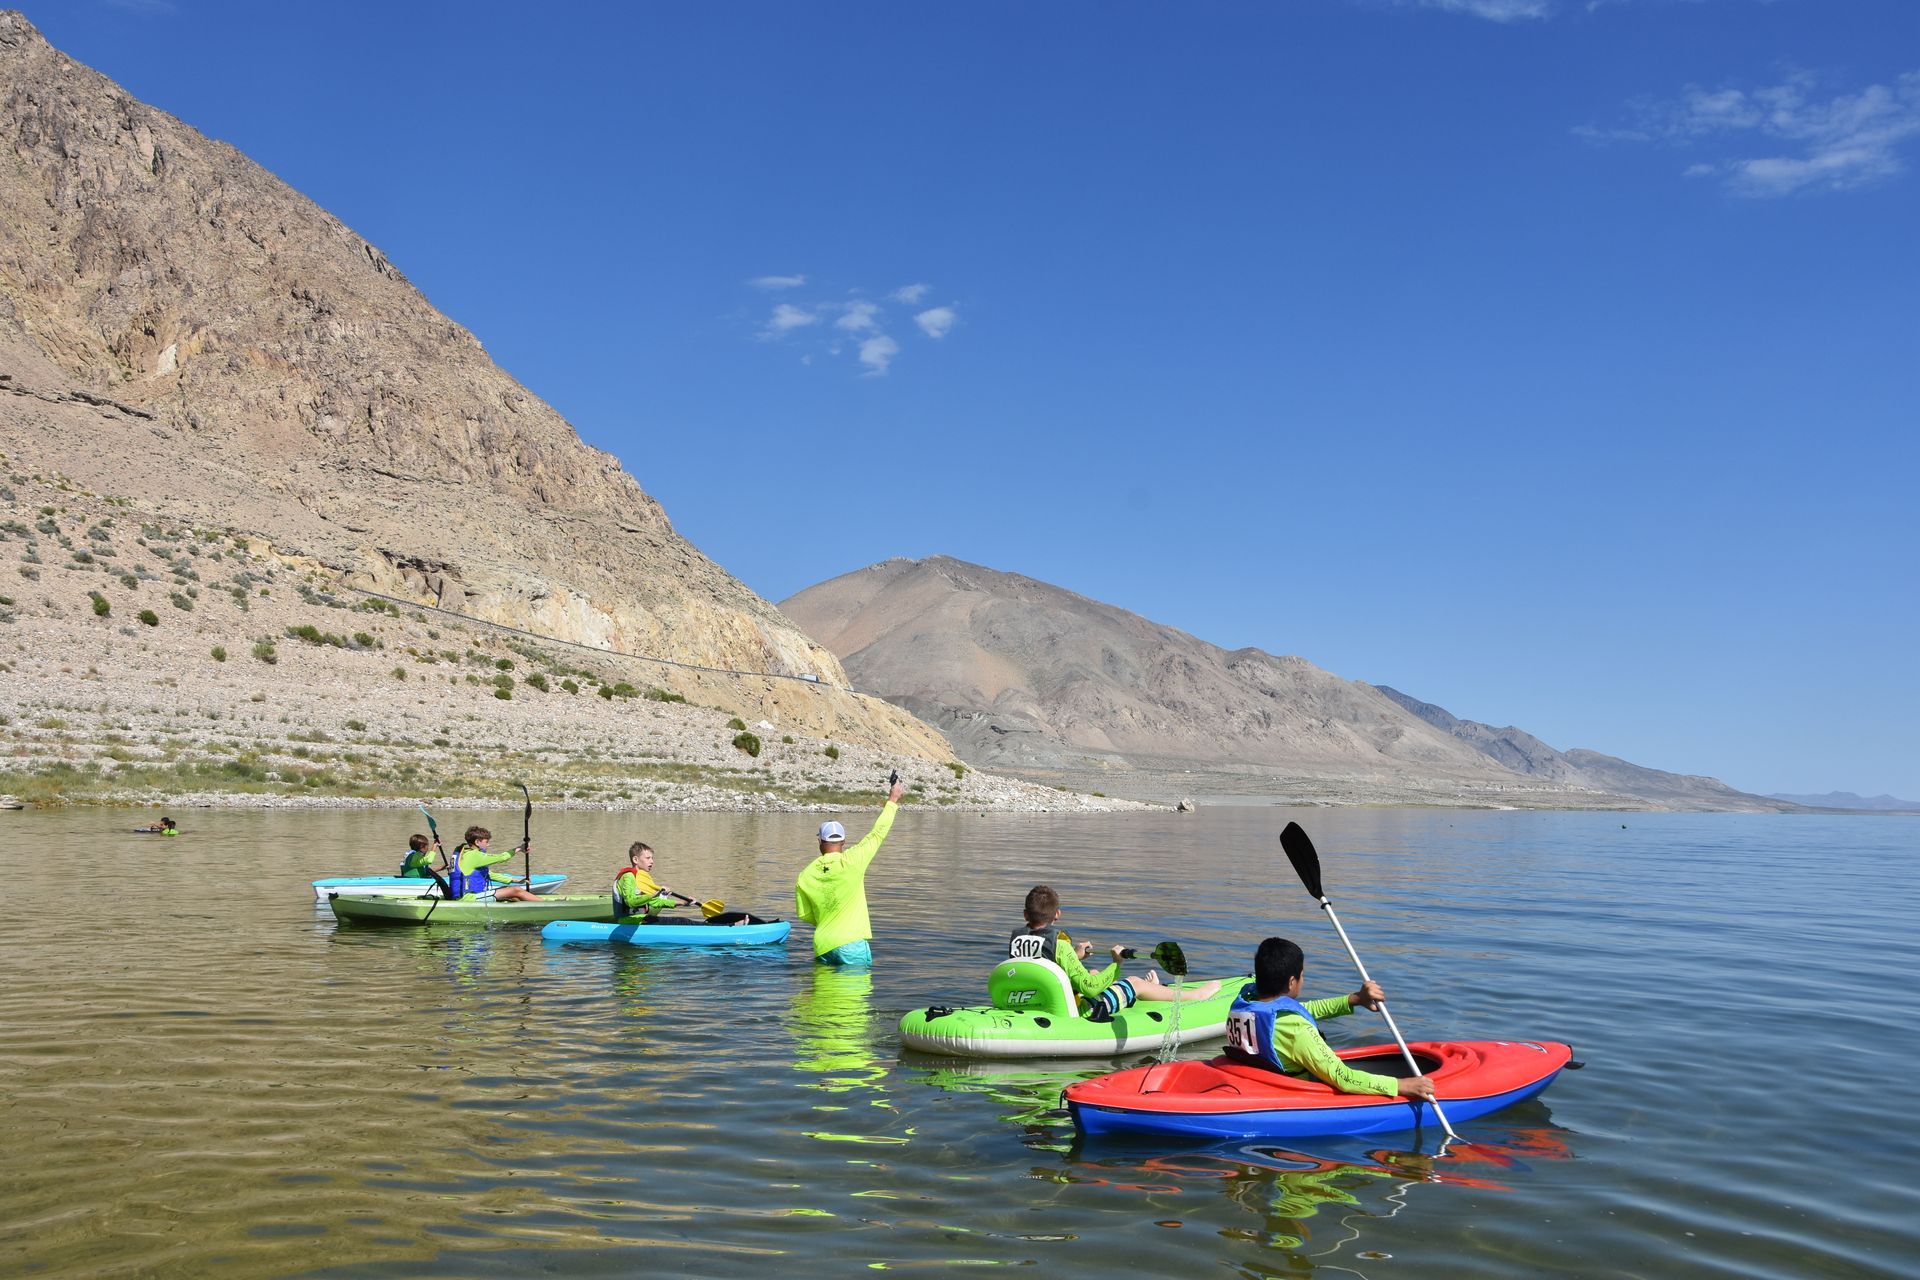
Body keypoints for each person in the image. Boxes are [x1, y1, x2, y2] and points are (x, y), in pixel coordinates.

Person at [1223, 936, 1436, 1102]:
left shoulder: (1248, 1001)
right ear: (1291, 982)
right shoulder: (1295, 1030)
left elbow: (1303, 1009)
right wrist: (1401, 1086)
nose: (1303, 980)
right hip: (1294, 1094)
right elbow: (1343, 1078)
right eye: (1302, 975)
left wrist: (1355, 999)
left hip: (1256, 1081)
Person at [1010, 885, 1221, 1020]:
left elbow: (1042, 966)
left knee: (1092, 971)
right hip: (1079, 1012)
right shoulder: (1059, 945)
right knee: (1134, 982)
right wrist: (1116, 963)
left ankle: (1153, 989)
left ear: (1025, 914)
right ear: (1057, 914)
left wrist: (1075, 956)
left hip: (1036, 1001)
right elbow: (1089, 990)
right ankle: (1194, 995)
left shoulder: (1017, 940)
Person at [795, 776, 905, 965]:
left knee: (823, 994)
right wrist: (892, 799)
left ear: (820, 841)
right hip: (851, 944)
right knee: (852, 995)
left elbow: (805, 914)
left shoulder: (805, 874)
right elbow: (878, 833)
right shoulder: (853, 861)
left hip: (823, 944)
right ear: (844, 842)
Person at [451, 825, 539, 902]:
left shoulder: (465, 853)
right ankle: (548, 904)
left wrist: (516, 880)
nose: (488, 845)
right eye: (486, 842)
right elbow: (502, 857)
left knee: (511, 894)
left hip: (466, 897)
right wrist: (519, 848)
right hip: (469, 899)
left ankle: (534, 905)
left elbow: (489, 875)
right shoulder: (474, 855)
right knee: (516, 890)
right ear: (477, 842)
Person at [613, 842, 681, 923]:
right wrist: (652, 895)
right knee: (681, 922)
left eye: (652, 858)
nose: (652, 861)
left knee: (682, 921)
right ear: (635, 860)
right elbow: (630, 901)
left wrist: (682, 903)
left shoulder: (642, 879)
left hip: (640, 919)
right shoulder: (628, 877)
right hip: (628, 921)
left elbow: (655, 902)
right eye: (648, 858)